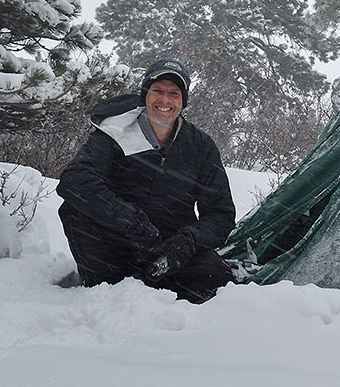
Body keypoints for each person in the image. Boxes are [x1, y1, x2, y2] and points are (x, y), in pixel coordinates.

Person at [56, 59, 236, 302]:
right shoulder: (115, 131)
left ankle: (162, 292)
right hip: (114, 240)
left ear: (183, 101)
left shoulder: (200, 146)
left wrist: (187, 243)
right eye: (157, 91)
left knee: (219, 282)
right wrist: (131, 222)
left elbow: (221, 214)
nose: (165, 100)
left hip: (169, 248)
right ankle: (109, 289)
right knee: (75, 209)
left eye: (174, 93)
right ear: (145, 95)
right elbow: (75, 180)